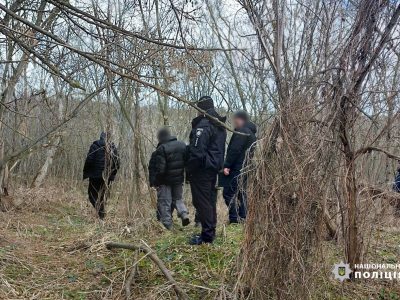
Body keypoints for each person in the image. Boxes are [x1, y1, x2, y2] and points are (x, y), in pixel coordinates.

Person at [186, 96, 227, 245]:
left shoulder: (203, 125)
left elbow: (197, 153)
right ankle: (209, 232)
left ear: (200, 109)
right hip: (212, 169)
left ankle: (207, 236)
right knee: (208, 201)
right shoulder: (218, 125)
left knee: (202, 202)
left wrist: (189, 169)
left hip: (202, 170)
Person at [148, 128, 190, 229]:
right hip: (178, 179)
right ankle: (184, 214)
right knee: (178, 199)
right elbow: (187, 163)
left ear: (160, 137)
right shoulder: (182, 145)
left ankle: (168, 225)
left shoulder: (161, 148)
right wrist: (187, 178)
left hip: (165, 181)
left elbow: (161, 169)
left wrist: (157, 182)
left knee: (165, 202)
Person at [220, 110, 257, 224]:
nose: (234, 122)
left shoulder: (242, 132)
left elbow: (234, 150)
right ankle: (243, 217)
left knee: (228, 193)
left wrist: (227, 165)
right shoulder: (252, 134)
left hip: (237, 168)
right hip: (246, 168)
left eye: (235, 119)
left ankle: (234, 219)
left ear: (240, 119)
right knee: (241, 192)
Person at [83, 132, 120, 219]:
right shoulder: (113, 147)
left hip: (95, 176)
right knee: (102, 195)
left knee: (92, 194)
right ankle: (101, 213)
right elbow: (117, 163)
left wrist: (86, 172)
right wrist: (112, 175)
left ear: (100, 137)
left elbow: (89, 160)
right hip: (106, 177)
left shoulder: (95, 145)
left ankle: (100, 213)